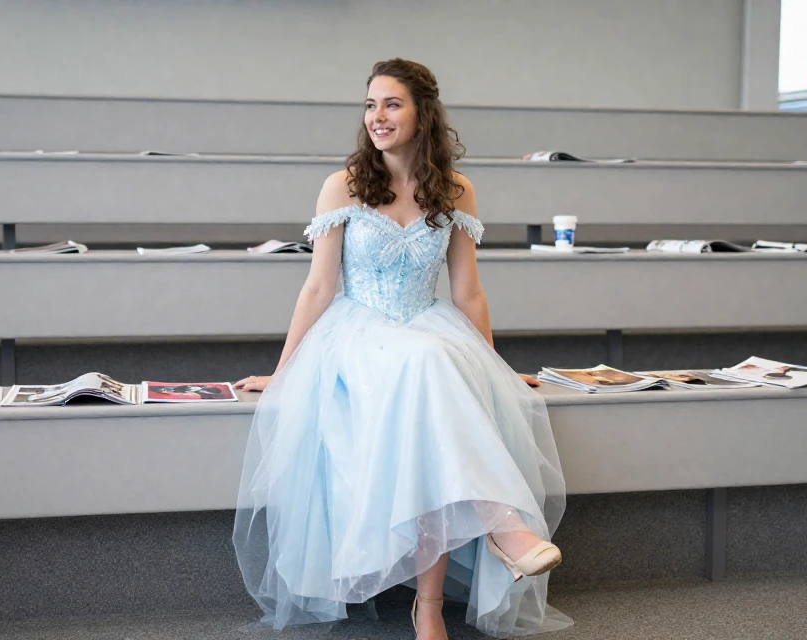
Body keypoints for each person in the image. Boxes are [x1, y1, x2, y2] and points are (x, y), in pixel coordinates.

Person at [232, 59, 571, 639]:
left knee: (428, 389)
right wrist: (283, 371)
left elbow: (468, 292)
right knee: (426, 368)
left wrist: (494, 368)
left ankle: (430, 606)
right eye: (370, 104)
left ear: (423, 113)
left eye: (392, 104)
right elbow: (317, 287)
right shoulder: (344, 184)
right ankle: (500, 524)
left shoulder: (457, 190)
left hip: (430, 332)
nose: (377, 117)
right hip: (357, 335)